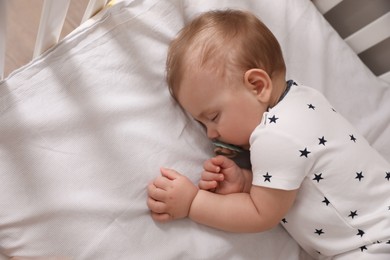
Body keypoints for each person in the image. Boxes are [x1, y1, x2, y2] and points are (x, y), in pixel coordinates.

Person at [146, 9, 390, 259]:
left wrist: (193, 203)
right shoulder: (304, 98)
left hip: (374, 244)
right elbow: (298, 182)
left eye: (213, 117)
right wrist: (246, 181)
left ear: (257, 86)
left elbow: (260, 214)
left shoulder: (273, 136)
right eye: (202, 124)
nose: (211, 134)